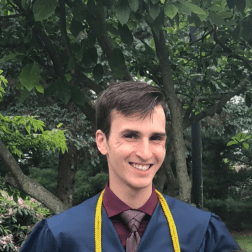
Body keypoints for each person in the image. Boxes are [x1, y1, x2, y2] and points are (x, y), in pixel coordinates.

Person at [19, 81, 241, 252]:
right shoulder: (60, 236)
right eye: (131, 135)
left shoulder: (202, 232)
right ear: (102, 141)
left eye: (156, 138)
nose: (145, 153)